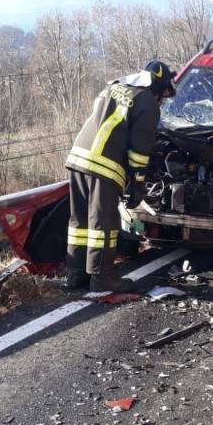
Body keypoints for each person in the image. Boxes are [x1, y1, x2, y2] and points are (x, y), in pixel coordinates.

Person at [64, 60, 176, 291]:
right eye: (163, 95)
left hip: (78, 158)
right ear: (157, 87)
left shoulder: (113, 87)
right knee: (103, 223)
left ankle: (76, 274)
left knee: (80, 221)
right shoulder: (147, 102)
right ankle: (102, 278)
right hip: (104, 165)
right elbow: (139, 151)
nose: (162, 101)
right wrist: (137, 185)